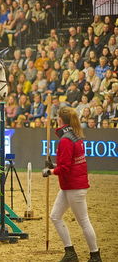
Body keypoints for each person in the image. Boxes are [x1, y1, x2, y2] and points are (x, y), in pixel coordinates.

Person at [42, 107, 101, 262]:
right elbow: (70, 163)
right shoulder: (74, 136)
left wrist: (50, 171)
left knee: (83, 221)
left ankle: (95, 255)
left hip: (74, 186)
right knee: (55, 216)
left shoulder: (66, 140)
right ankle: (70, 252)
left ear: (61, 120)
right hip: (71, 186)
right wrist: (53, 165)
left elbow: (66, 168)